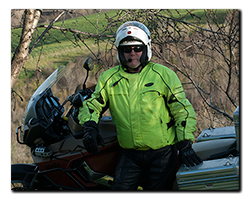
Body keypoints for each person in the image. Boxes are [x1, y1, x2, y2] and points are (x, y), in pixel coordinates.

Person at [78, 21, 202, 190]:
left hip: (162, 153)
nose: (132, 54)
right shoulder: (109, 78)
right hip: (130, 154)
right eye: (127, 50)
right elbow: (94, 103)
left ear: (146, 49)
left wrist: (185, 144)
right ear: (120, 52)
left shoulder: (162, 74)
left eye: (137, 48)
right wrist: (89, 126)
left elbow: (182, 110)